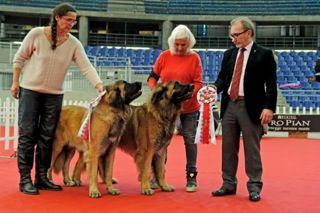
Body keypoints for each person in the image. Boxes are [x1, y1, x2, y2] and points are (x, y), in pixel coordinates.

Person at [10, 2, 104, 195]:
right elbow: (19, 58)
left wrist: (99, 86)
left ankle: (43, 177)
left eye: (74, 21)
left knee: (47, 137)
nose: (72, 24)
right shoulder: (36, 34)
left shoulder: (73, 44)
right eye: (68, 20)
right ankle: (25, 179)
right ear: (57, 18)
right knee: (28, 135)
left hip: (54, 95)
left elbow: (86, 67)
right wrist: (15, 82)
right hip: (30, 91)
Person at [211, 17, 277, 201]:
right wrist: (212, 89)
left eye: (236, 34)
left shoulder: (264, 54)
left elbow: (271, 84)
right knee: (228, 148)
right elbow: (223, 79)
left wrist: (269, 107)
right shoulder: (229, 54)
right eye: (231, 35)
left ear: (248, 33)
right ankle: (228, 183)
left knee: (252, 149)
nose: (233, 38)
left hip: (252, 106)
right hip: (229, 105)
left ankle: (254, 186)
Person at [147, 25, 203, 192]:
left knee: (189, 139)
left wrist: (187, 97)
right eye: (177, 44)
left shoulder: (195, 58)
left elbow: (198, 83)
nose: (179, 48)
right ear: (172, 42)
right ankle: (157, 176)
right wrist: (156, 91)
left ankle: (191, 176)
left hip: (189, 108)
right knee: (161, 141)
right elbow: (152, 77)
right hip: (165, 110)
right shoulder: (164, 56)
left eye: (183, 45)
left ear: (189, 43)